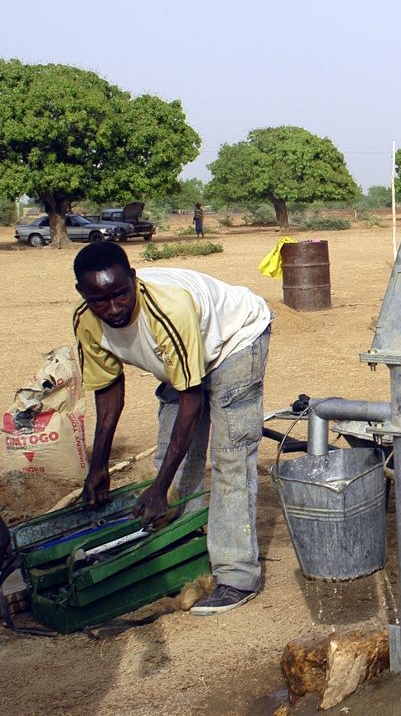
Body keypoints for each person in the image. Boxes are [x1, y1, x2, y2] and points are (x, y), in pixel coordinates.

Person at [73, 241, 272, 615]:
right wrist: (98, 467)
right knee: (171, 460)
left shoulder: (167, 310)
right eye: (99, 300)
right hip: (182, 362)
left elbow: (191, 403)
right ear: (82, 294)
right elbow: (108, 392)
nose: (113, 308)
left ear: (134, 279)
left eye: (121, 294)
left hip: (234, 341)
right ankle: (185, 548)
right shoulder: (86, 322)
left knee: (230, 457)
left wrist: (159, 488)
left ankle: (237, 575)